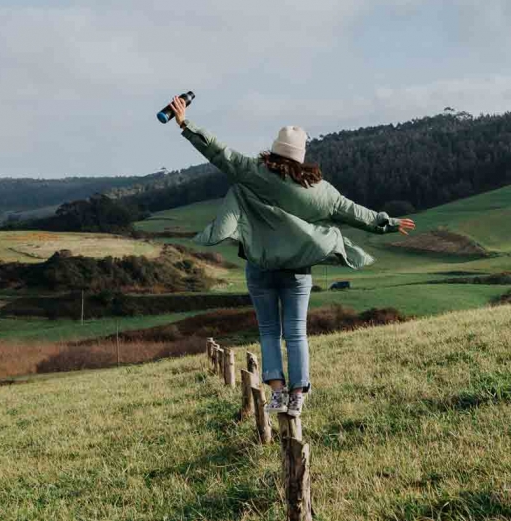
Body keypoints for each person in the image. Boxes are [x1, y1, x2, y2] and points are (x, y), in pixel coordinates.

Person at [167, 96, 416, 416]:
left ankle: (277, 393)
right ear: (302, 157)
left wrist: (185, 123)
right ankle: (298, 395)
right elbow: (357, 214)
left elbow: (217, 150)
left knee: (269, 331)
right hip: (298, 271)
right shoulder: (321, 191)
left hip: (261, 267)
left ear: (274, 150)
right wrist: (389, 224)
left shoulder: (253, 173)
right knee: (296, 332)